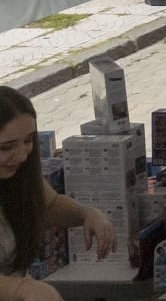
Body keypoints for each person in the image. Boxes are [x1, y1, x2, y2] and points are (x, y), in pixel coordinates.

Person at [0, 88, 117, 301]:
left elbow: (49, 205)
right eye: (6, 147)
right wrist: (20, 289)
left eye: (28, 141)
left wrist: (86, 214)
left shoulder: (18, 174)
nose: (21, 155)